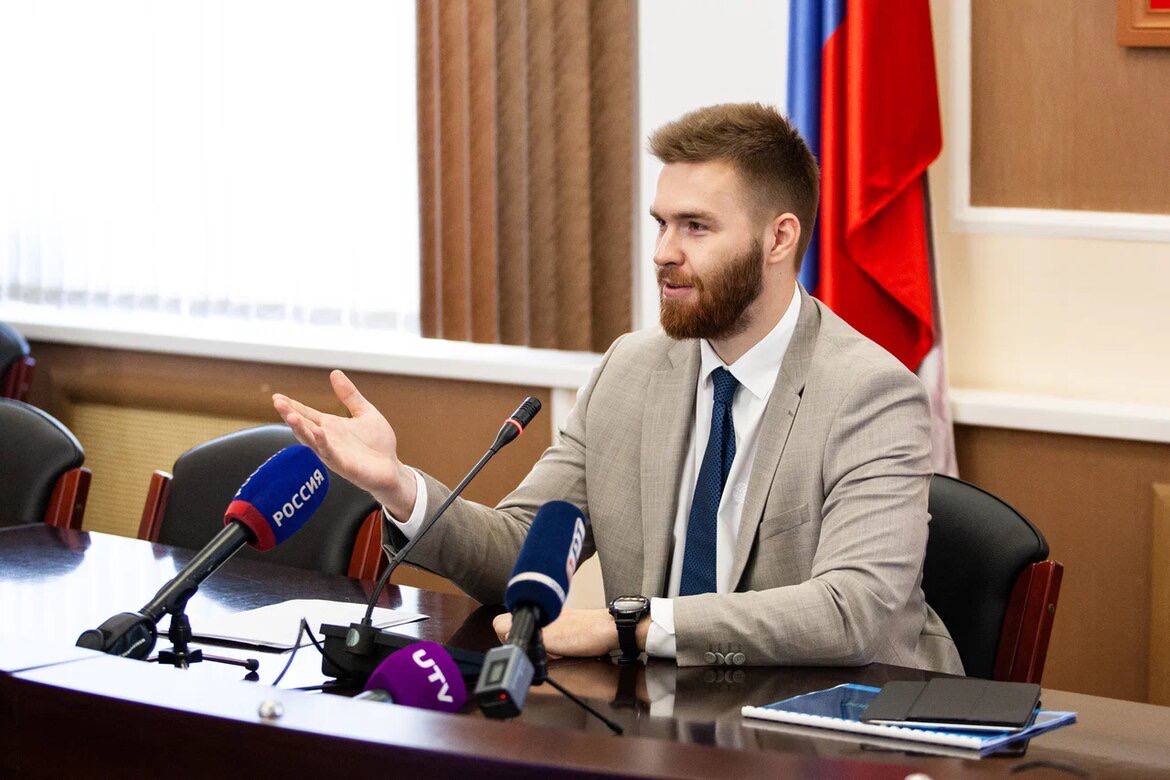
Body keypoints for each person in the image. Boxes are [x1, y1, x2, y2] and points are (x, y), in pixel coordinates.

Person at [273, 103, 963, 673]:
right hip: (671, 714)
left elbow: (852, 610)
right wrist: (400, 487)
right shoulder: (631, 369)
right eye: (661, 223)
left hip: (842, 726)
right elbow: (521, 549)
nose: (663, 252)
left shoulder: (870, 393)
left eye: (696, 227)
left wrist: (630, 624)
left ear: (779, 239)